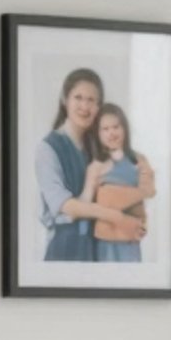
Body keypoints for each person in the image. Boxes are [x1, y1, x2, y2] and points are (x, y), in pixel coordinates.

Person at [35, 68, 144, 263]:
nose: (84, 106)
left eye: (91, 100)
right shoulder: (48, 149)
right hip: (65, 250)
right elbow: (63, 205)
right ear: (64, 99)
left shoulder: (100, 148)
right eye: (78, 97)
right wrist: (113, 215)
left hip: (101, 250)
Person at [88, 102, 155, 265]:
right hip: (106, 240)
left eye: (116, 127)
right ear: (98, 134)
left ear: (124, 128)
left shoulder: (139, 160)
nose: (111, 133)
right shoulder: (96, 166)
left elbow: (149, 193)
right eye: (105, 129)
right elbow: (88, 202)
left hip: (131, 239)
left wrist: (141, 224)